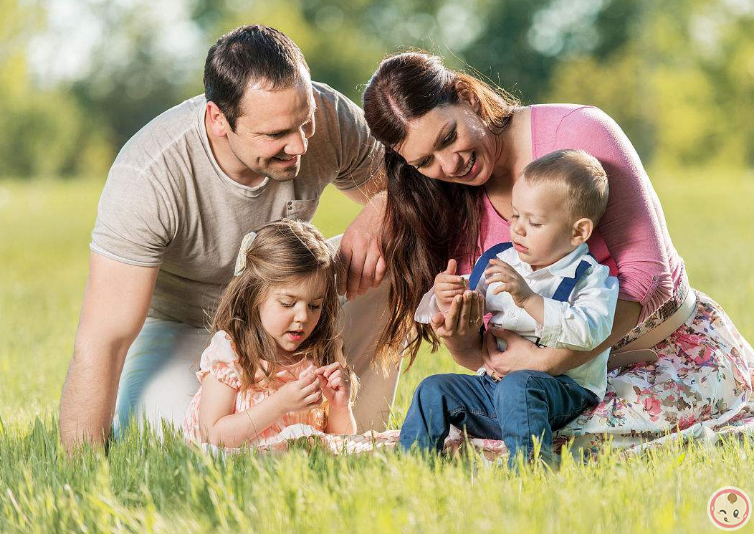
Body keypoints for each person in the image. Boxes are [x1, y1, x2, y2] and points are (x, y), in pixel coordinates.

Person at [362, 51, 754, 455]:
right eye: (425, 161)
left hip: (660, 354)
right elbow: (489, 351)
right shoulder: (448, 198)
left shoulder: (577, 132)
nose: (450, 165)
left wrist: (550, 363)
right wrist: (462, 337)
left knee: (544, 438)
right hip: (536, 384)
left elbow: (652, 279)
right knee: (500, 423)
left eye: (448, 137)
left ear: (466, 98)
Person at [59, 25, 398, 451]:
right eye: (275, 135)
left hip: (293, 311)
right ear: (219, 120)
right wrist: (81, 472)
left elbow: (418, 176)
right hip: (184, 327)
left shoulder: (326, 115)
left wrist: (383, 206)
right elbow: (102, 340)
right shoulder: (149, 177)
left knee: (395, 250)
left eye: (305, 123)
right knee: (196, 442)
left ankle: (354, 433)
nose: (298, 145)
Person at [401, 149, 616, 461]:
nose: (518, 228)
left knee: (519, 386)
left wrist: (529, 299)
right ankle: (411, 466)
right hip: (495, 387)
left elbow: (590, 331)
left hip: (562, 392)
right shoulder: (502, 260)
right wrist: (444, 297)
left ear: (578, 231)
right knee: (432, 388)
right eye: (515, 215)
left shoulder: (592, 278)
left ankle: (529, 470)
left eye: (534, 221)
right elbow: (463, 304)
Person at [183, 219, 358, 449]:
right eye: (288, 303)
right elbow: (213, 436)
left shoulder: (323, 351)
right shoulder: (232, 353)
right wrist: (280, 404)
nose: (303, 317)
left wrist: (339, 406)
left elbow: (341, 442)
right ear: (254, 297)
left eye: (314, 306)